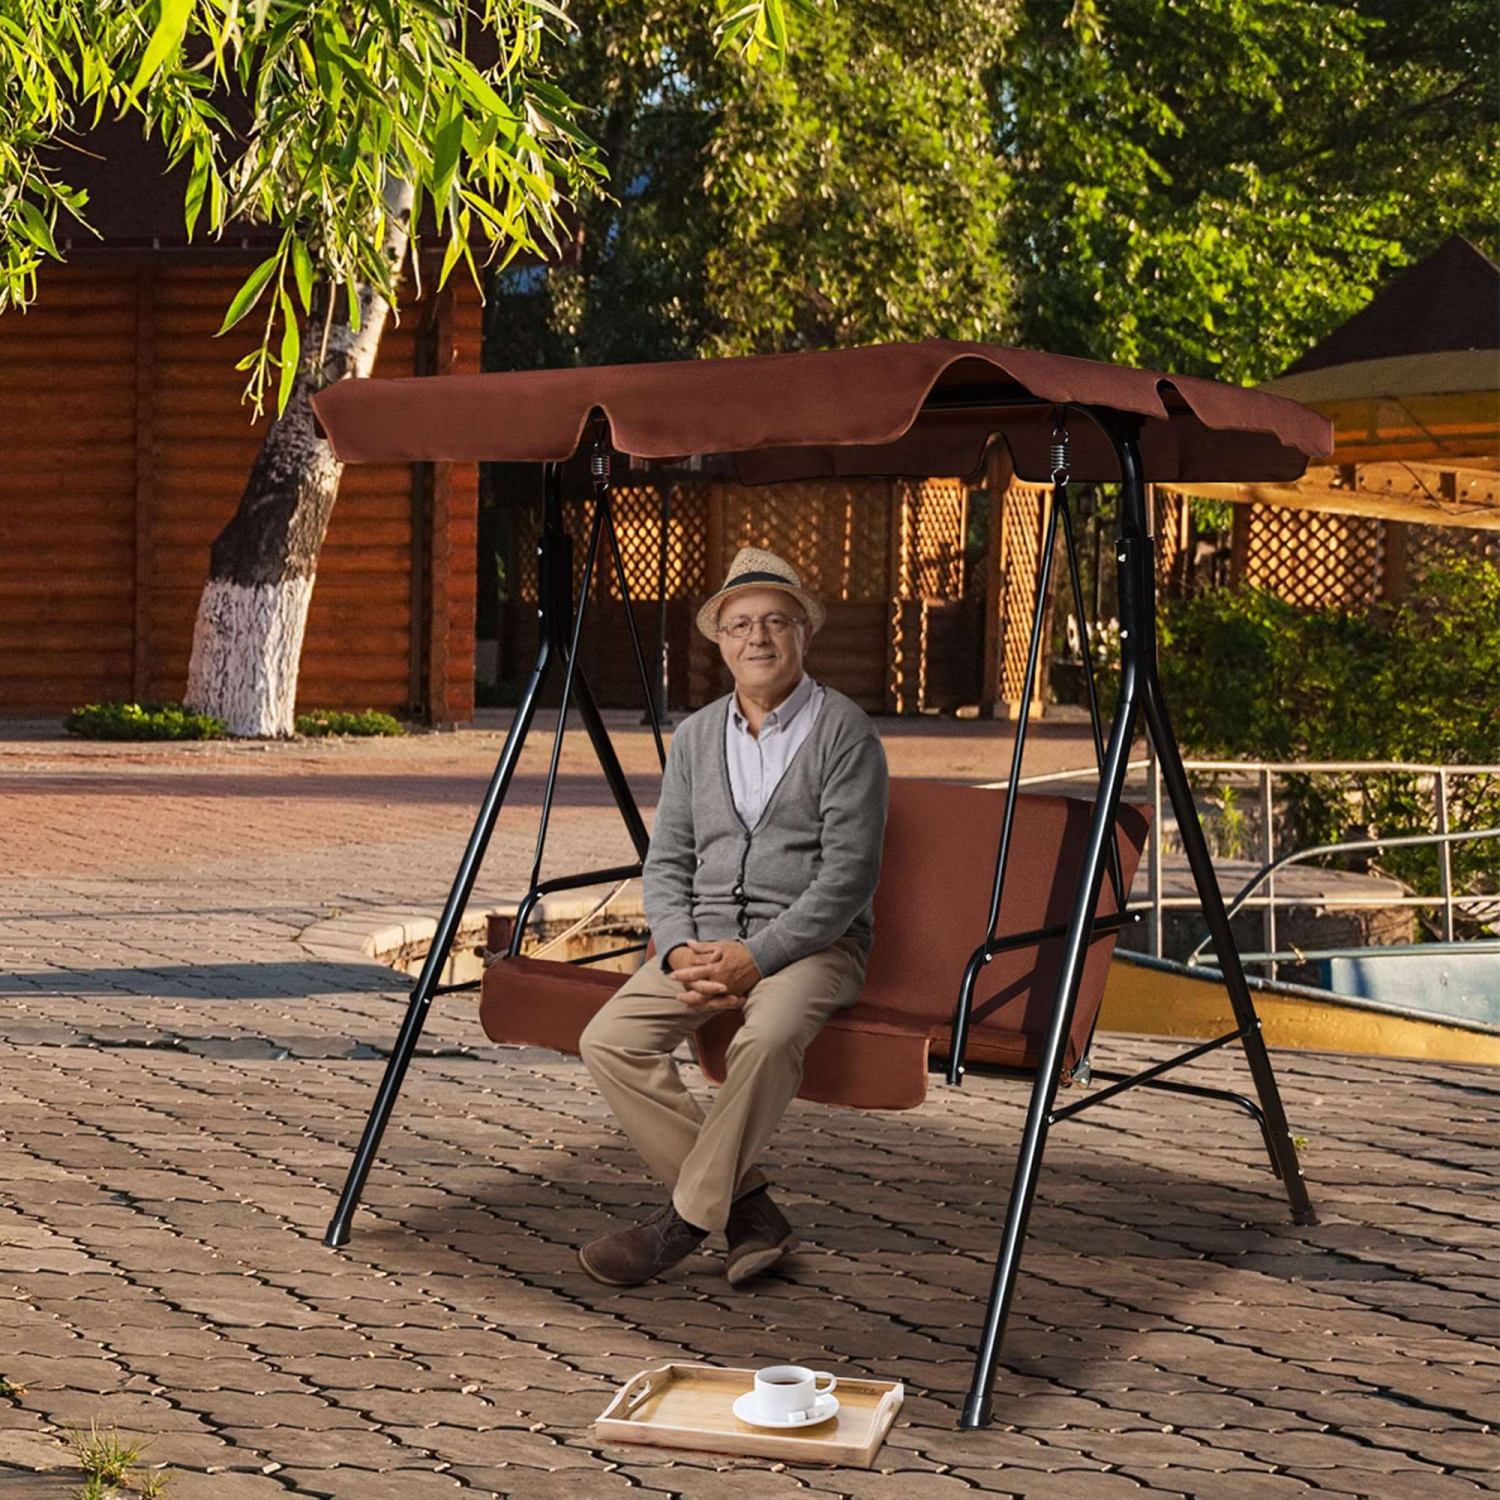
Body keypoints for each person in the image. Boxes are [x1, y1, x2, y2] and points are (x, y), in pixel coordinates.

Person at [577, 546, 889, 1288]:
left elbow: (849, 876)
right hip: (706, 943)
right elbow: (668, 861)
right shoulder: (694, 736)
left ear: (803, 635)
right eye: (741, 623)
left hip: (815, 946)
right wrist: (680, 946)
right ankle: (749, 1208)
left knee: (768, 1037)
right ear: (719, 639)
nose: (759, 638)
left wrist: (762, 957)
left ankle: (680, 1224)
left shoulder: (846, 732)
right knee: (610, 1040)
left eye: (777, 621)